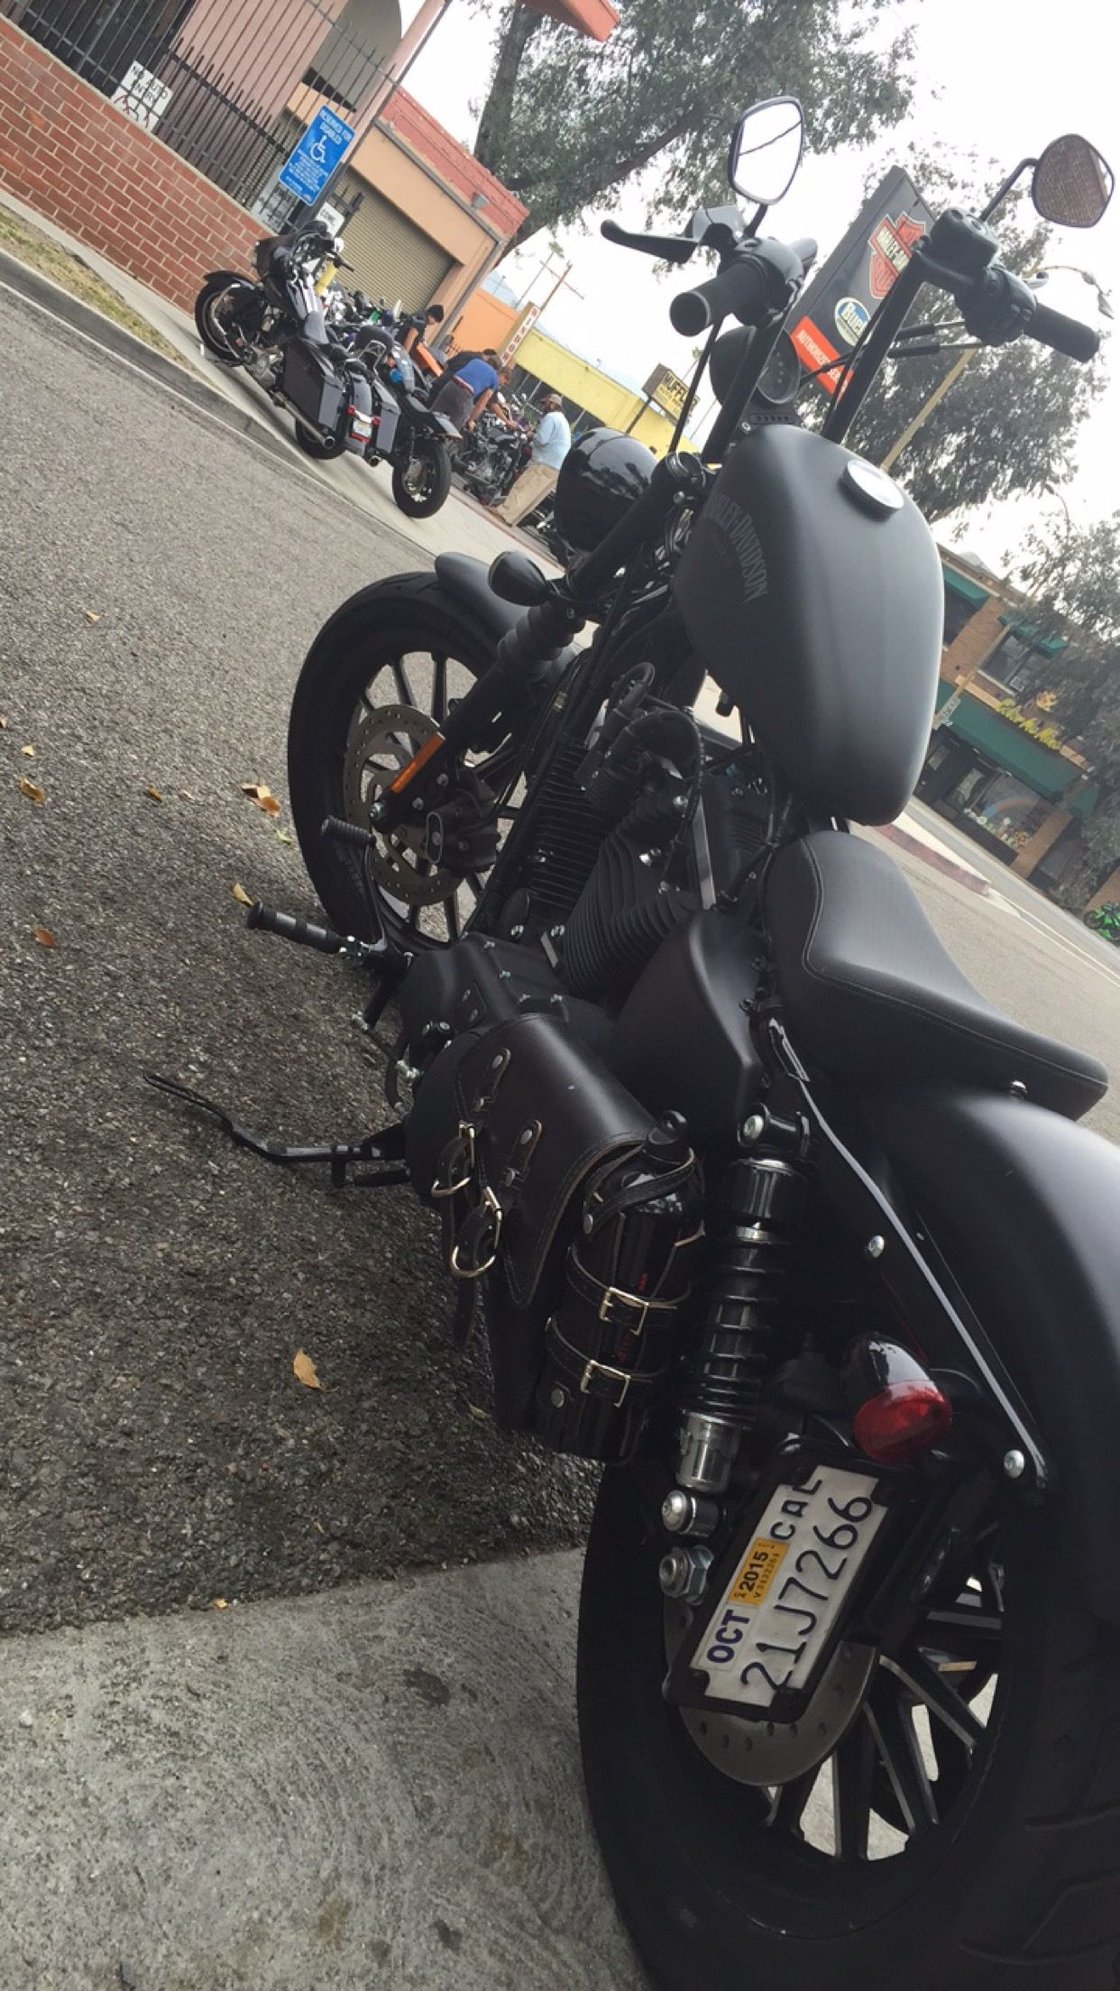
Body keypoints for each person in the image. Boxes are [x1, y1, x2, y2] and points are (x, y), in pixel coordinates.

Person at [493, 392, 572, 527]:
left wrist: (531, 435)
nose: (543, 407)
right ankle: (512, 519)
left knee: (524, 487)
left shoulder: (551, 417)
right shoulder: (562, 420)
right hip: (558, 466)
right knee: (533, 496)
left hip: (546, 461)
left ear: (553, 404)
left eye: (545, 404)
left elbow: (542, 439)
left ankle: (503, 513)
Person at [430, 350, 503, 434]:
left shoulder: (475, 361)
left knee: (432, 415)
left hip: (451, 385)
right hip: (465, 395)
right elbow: (480, 404)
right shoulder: (494, 378)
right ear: (497, 370)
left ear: (487, 360)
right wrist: (471, 420)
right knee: (451, 431)